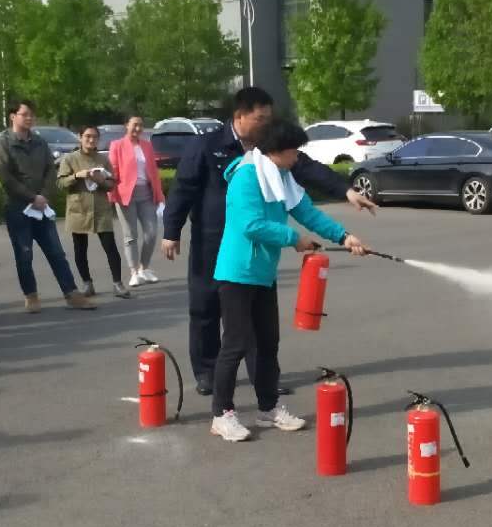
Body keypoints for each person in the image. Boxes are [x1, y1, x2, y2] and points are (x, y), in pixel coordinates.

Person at [162, 87, 377, 396]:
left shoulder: (279, 162)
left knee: (262, 329)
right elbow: (184, 189)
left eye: (269, 118)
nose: (266, 124)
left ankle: (264, 382)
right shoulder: (215, 150)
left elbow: (305, 198)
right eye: (260, 118)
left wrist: (345, 226)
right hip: (218, 243)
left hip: (260, 253)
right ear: (240, 116)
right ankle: (210, 379)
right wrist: (171, 231)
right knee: (208, 310)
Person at [209, 119, 369, 442]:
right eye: (293, 152)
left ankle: (268, 408)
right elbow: (251, 225)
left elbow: (307, 212)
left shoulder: (282, 177)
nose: (297, 158)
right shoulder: (246, 176)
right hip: (237, 273)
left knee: (268, 343)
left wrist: (344, 236)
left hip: (263, 274)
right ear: (275, 151)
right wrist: (294, 238)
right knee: (235, 344)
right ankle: (221, 415)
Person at [0, 99, 97, 314]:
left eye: (32, 114)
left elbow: (51, 170)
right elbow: (5, 176)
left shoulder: (39, 142)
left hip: (42, 207)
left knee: (56, 252)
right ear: (13, 116)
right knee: (24, 254)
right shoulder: (3, 142)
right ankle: (31, 295)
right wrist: (31, 197)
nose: (29, 118)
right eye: (25, 114)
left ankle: (72, 294)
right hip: (19, 207)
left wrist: (45, 196)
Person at [59, 126, 129, 300]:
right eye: (88, 136)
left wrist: (102, 180)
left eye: (95, 137)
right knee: (80, 248)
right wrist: (77, 176)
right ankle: (87, 283)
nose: (91, 140)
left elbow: (112, 184)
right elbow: (60, 183)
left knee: (110, 247)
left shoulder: (103, 159)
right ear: (80, 137)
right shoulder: (70, 159)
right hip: (79, 209)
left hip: (100, 208)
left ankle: (118, 283)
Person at [109, 116, 165, 288]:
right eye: (134, 125)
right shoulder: (117, 145)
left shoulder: (147, 145)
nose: (138, 128)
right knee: (130, 235)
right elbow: (113, 172)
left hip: (146, 194)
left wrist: (160, 195)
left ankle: (144, 268)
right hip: (126, 195)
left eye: (140, 125)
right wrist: (112, 195)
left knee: (151, 233)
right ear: (126, 126)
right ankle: (134, 271)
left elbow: (154, 173)